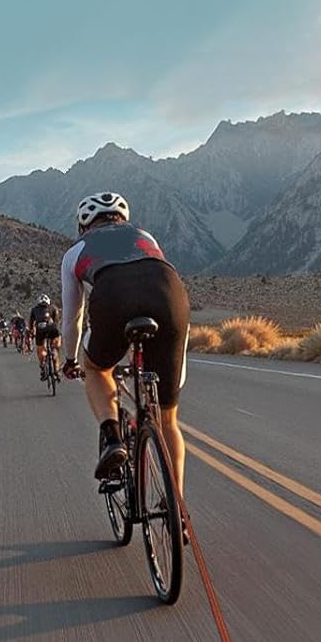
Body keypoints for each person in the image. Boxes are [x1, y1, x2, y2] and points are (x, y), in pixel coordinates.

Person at [59, 191, 190, 490]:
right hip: (169, 294)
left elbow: (72, 319)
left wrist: (70, 360)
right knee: (168, 420)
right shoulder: (145, 236)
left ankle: (113, 438)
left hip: (112, 297)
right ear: (123, 218)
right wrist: (172, 378)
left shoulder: (75, 252)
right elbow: (152, 280)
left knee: (96, 369)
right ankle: (178, 507)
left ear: (83, 225)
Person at [29, 292, 61, 381]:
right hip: (53, 330)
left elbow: (31, 323)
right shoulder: (53, 308)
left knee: (41, 350)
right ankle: (57, 370)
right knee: (55, 349)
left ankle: (43, 367)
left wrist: (31, 332)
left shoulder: (34, 309)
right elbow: (57, 321)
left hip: (40, 331)